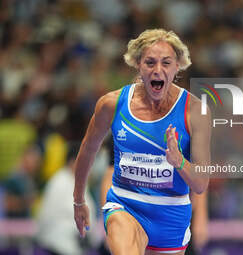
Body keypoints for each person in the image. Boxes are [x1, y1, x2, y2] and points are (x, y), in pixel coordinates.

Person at [73, 28, 211, 255]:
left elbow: (200, 184)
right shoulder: (111, 104)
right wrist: (78, 200)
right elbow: (88, 150)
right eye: (150, 63)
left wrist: (179, 162)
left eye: (166, 63)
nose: (158, 70)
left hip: (171, 216)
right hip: (125, 204)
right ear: (138, 65)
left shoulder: (196, 112)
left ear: (177, 66)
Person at [36, 143, 97, 255]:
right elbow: (48, 219)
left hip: (77, 245)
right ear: (74, 162)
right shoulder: (59, 181)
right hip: (57, 246)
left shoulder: (80, 183)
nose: (91, 168)